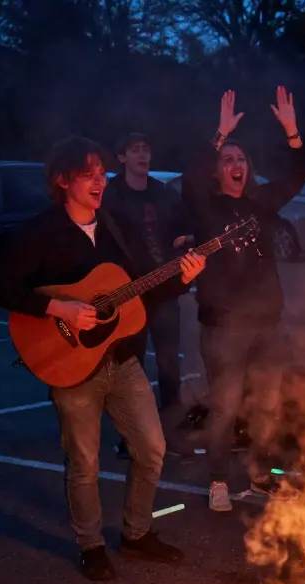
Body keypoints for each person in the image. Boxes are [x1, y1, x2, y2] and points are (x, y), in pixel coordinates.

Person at [0, 136, 206, 581]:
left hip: (122, 359)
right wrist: (61, 308)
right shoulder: (40, 232)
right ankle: (90, 544)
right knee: (84, 463)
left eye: (101, 173)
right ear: (62, 180)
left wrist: (183, 278)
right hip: (69, 366)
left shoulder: (117, 226)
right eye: (87, 173)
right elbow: (3, 289)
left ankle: (136, 533)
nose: (99, 181)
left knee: (152, 447)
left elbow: (146, 287)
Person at [181, 88, 305, 513]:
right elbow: (190, 178)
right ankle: (218, 480)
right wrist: (219, 134)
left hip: (268, 324)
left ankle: (259, 476)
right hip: (223, 327)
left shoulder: (260, 202)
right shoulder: (206, 207)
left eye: (241, 160)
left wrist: (292, 131)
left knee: (269, 406)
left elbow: (297, 177)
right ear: (217, 172)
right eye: (228, 161)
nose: (235, 165)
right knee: (225, 408)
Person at [103, 133, 193, 419]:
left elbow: (184, 229)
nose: (142, 155)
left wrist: (185, 241)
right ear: (122, 157)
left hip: (163, 291)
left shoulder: (163, 193)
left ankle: (171, 425)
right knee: (131, 364)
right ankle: (133, 432)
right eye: (135, 150)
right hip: (128, 293)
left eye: (146, 149)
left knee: (169, 363)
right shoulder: (110, 195)